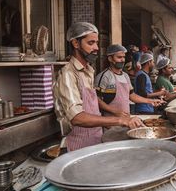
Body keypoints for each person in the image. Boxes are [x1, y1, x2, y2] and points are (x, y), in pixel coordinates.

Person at [53, 22, 143, 152]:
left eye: (96, 43)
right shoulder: (68, 74)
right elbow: (76, 118)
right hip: (79, 145)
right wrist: (120, 120)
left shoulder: (89, 71)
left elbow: (94, 102)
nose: (96, 48)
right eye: (90, 43)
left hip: (96, 139)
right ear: (75, 43)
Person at [95, 44, 163, 117]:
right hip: (110, 122)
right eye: (119, 57)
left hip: (126, 119)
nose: (122, 60)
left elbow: (131, 95)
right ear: (110, 59)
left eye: (123, 57)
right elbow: (96, 100)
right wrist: (114, 111)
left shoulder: (125, 76)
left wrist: (150, 101)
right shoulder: (104, 76)